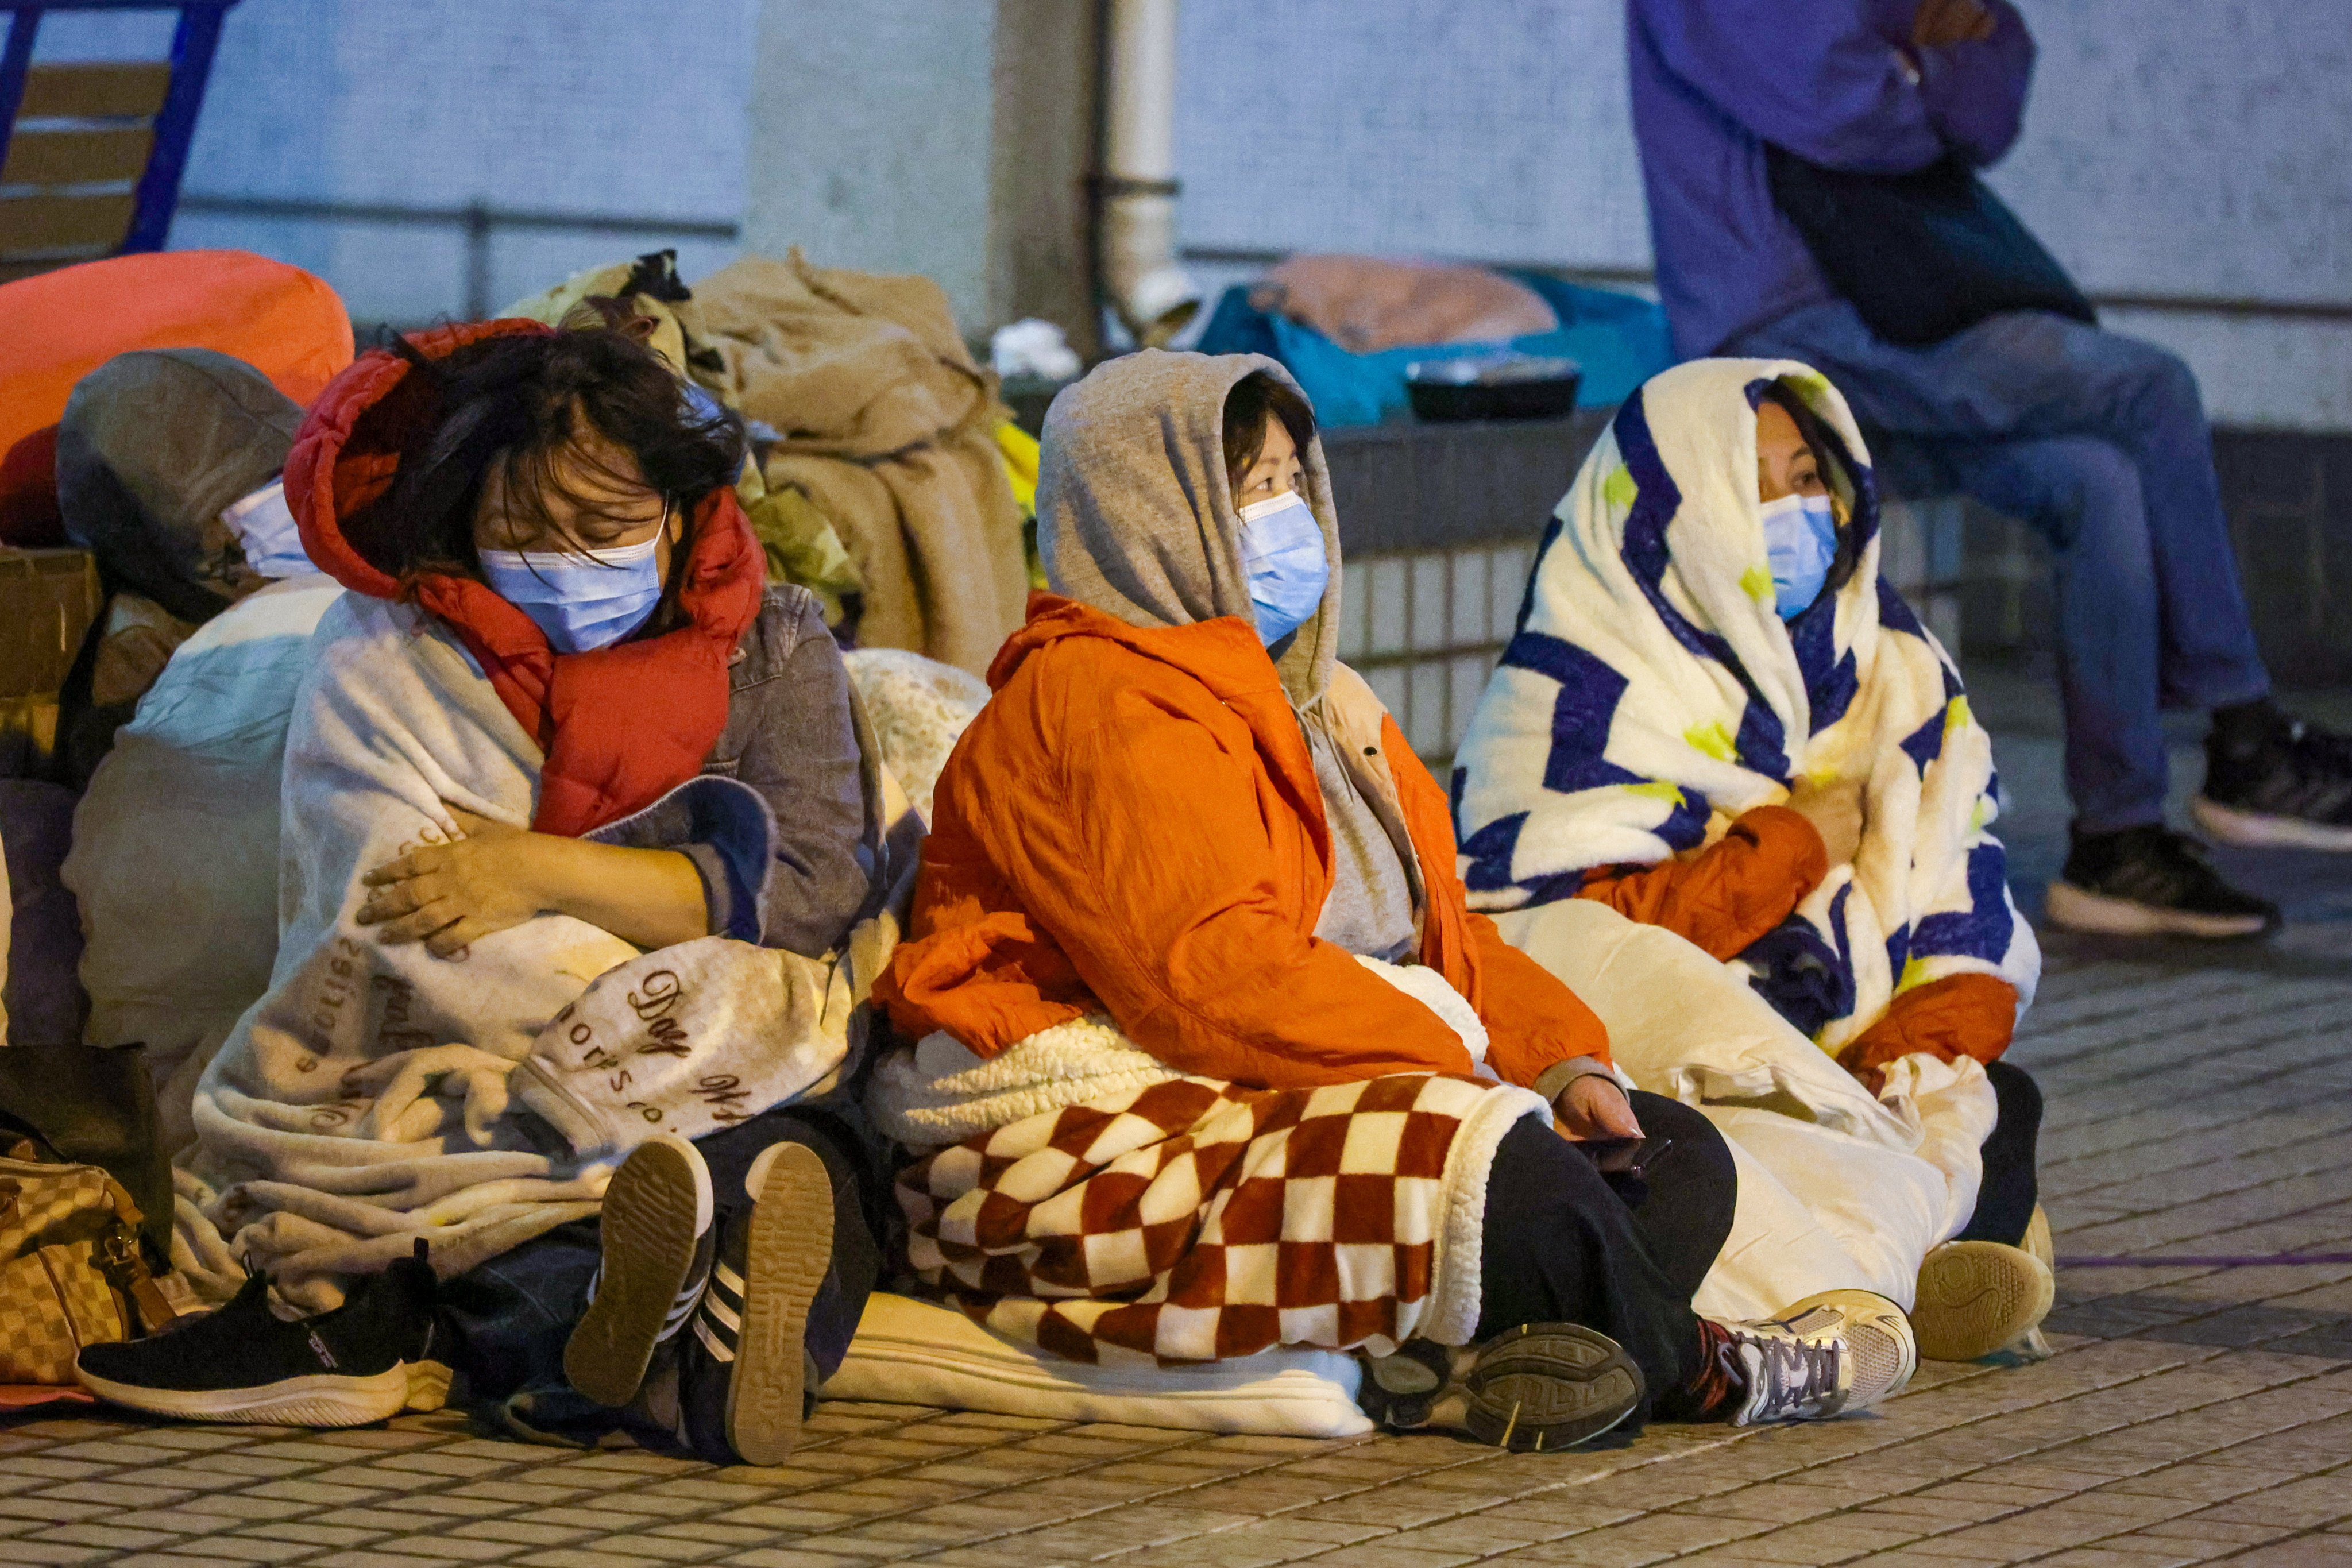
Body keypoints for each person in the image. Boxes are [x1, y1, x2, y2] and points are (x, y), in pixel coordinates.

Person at [870, 349, 1919, 1451]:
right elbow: (1216, 979)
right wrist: (1461, 1063)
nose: (1285, 519)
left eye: (1290, 482)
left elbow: (1445, 934)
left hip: (1300, 1078)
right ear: (1151, 513)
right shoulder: (1094, 699)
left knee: (1667, 1156)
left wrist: (1560, 1063)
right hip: (1094, 1129)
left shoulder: (1322, 706)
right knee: (1510, 1176)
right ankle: (1712, 1368)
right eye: (1247, 490)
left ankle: (1465, 1367)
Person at [74, 314, 905, 1466]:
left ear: (677, 516)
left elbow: (814, 893)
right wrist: (649, 910)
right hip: (454, 1065)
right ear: (462, 517)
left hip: (707, 1056)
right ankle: (659, 1348)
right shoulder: (388, 652)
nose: (566, 560)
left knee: (805, 1152)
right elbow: (387, 908)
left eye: (604, 528)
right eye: (523, 530)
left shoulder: (770, 646)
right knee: (499, 1208)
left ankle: (677, 1327)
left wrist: (536, 871)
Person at [1626, 0, 2352, 939]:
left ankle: (2117, 842)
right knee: (2150, 390)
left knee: (2097, 479)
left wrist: (1919, 68)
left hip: (1894, 316)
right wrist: (1919, 64)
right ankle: (2247, 738)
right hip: (1784, 321)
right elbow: (1837, 102)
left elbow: (1991, 93)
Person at [1453, 358, 2053, 1362]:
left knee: (1993, 1087)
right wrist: (1800, 840)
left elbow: (1964, 897)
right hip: (1683, 1064)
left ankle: (1913, 1249)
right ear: (1672, 509)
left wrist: (1903, 1059)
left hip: (1850, 1056)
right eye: (1755, 484)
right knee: (1722, 1147)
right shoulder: (1577, 682)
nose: (1794, 513)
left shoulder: (1890, 666)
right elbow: (1580, 941)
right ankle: (1935, 1248)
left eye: (1809, 478)